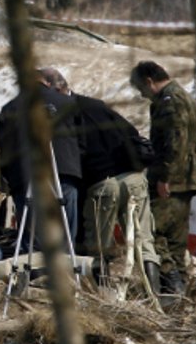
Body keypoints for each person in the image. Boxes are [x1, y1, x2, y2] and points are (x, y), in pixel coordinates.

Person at [41, 68, 161, 293]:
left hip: (103, 184)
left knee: (99, 248)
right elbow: (131, 132)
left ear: (52, 89)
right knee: (145, 241)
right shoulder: (96, 105)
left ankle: (103, 298)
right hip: (133, 178)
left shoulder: (61, 115)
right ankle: (155, 294)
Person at [130, 61, 196, 294]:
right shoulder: (184, 98)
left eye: (141, 89)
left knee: (152, 229)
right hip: (185, 179)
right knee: (176, 239)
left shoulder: (170, 102)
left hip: (170, 181)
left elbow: (175, 141)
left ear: (149, 81)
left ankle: (170, 280)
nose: (142, 95)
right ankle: (177, 290)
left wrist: (166, 176)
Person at [0, 70, 83, 244]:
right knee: (65, 232)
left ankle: (35, 268)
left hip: (26, 176)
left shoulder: (10, 108)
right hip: (65, 172)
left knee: (35, 238)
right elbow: (83, 139)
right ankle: (66, 267)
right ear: (47, 83)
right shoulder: (67, 102)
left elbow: (1, 148)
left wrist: (10, 178)